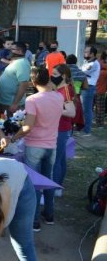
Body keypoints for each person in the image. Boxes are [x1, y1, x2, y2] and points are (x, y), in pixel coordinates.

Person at [10, 66, 64, 231]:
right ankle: (49, 214)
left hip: (34, 145)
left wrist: (12, 138)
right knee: (47, 181)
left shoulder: (32, 100)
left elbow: (28, 127)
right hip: (51, 145)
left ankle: (34, 221)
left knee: (34, 184)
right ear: (48, 78)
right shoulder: (58, 97)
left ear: (33, 82)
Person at [51, 64, 75, 196]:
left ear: (63, 76)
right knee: (60, 159)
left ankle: (55, 188)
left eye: (55, 74)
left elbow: (71, 112)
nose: (52, 77)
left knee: (56, 161)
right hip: (61, 128)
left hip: (62, 129)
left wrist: (53, 108)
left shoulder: (65, 90)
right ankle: (58, 185)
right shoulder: (61, 88)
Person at [0, 42, 30, 117]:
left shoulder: (22, 64)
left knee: (9, 127)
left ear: (20, 51)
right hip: (3, 101)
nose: (9, 50)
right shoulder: (16, 62)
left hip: (10, 104)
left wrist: (15, 103)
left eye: (12, 49)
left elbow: (23, 85)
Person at [80, 46, 100, 136]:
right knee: (84, 109)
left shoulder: (93, 64)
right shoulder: (87, 62)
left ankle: (87, 131)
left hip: (89, 87)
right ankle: (84, 128)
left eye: (86, 52)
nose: (84, 53)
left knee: (87, 110)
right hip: (84, 87)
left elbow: (81, 72)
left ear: (92, 54)